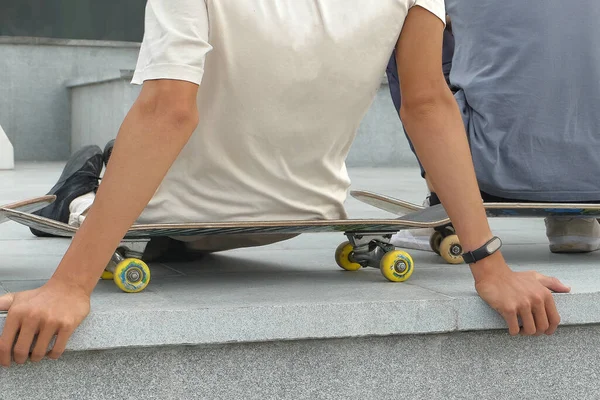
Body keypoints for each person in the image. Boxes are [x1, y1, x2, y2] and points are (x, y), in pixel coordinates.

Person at [0, 0, 570, 367]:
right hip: (305, 212)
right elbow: (427, 103)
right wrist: (489, 266)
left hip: (165, 214)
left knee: (87, 180)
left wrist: (70, 287)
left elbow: (168, 111)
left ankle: (82, 177)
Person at [386, 2, 600, 253]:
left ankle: (445, 208)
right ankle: (573, 221)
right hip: (594, 177)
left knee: (413, 22)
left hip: (488, 171)